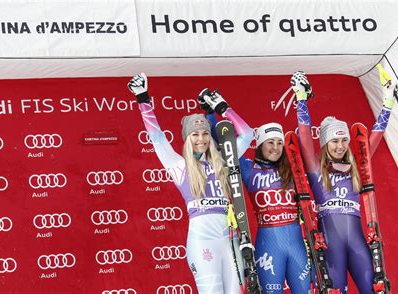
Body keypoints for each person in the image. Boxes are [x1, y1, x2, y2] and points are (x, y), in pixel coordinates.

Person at [127, 73, 254, 293]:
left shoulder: (223, 162)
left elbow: (248, 134)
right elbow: (157, 139)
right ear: (187, 138)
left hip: (229, 238)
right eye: (194, 134)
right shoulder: (180, 166)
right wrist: (142, 99)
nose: (201, 139)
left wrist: (223, 108)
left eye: (205, 133)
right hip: (202, 241)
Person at [290, 71, 397, 293]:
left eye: (343, 140)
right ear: (325, 143)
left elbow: (375, 135)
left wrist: (388, 103)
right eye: (334, 141)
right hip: (331, 245)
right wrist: (301, 98)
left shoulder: (357, 166)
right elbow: (304, 136)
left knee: (374, 290)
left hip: (357, 244)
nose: (339, 146)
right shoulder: (315, 167)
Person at [199, 96, 311, 293]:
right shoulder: (249, 168)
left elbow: (305, 135)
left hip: (297, 245)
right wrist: (210, 113)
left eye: (279, 142)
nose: (275, 148)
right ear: (260, 144)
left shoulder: (293, 168)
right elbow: (225, 146)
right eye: (270, 143)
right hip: (268, 243)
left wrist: (301, 99)